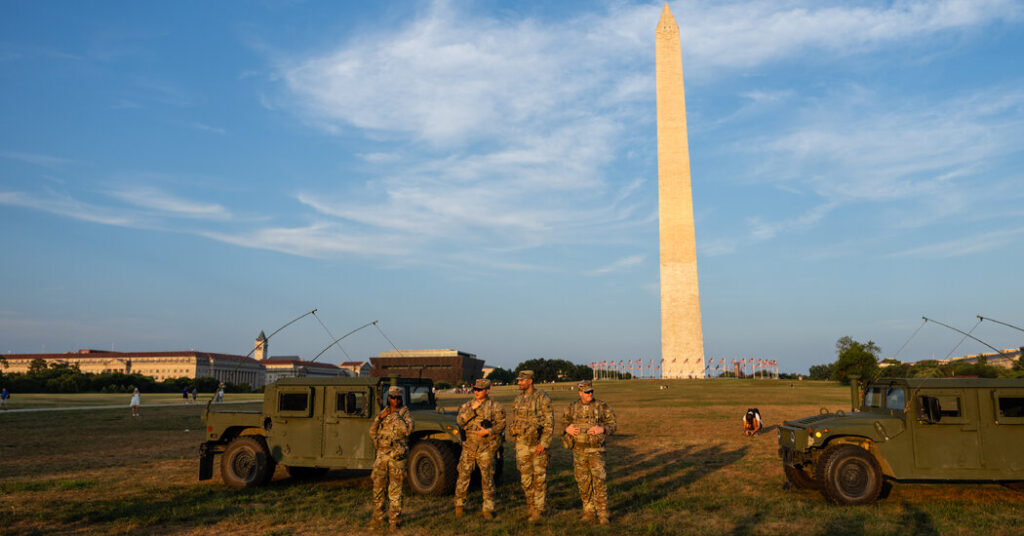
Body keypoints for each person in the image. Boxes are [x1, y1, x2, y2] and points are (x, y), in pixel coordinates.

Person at [562, 380, 617, 524]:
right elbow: (564, 422)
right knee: (583, 482)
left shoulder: (601, 406)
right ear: (580, 392)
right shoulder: (572, 407)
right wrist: (567, 428)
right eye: (587, 392)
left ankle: (603, 513)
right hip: (579, 451)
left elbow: (613, 424)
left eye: (591, 391)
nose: (590, 394)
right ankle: (588, 511)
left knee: (599, 481)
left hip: (596, 451)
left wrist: (603, 429)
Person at [454, 378, 506, 520]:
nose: (476, 392)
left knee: (487, 478)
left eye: (479, 389)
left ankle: (488, 508)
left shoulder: (495, 406)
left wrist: (488, 431)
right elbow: (459, 421)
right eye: (475, 389)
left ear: (487, 390)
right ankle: (459, 506)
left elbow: (501, 425)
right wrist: (473, 410)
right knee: (463, 476)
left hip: (486, 447)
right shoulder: (467, 406)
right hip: (469, 447)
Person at [508, 370, 553, 522]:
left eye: (522, 380)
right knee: (525, 479)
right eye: (519, 380)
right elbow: (516, 421)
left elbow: (549, 423)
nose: (519, 382)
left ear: (530, 381)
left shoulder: (542, 397)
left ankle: (538, 511)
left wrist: (543, 443)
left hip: (538, 445)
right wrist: (516, 442)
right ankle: (530, 506)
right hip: (522, 445)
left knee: (539, 479)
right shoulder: (518, 399)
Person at [369, 386, 414, 529]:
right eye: (392, 397)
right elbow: (372, 431)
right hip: (382, 456)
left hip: (397, 457)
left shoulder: (405, 413)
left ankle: (394, 520)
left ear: (401, 399)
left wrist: (395, 416)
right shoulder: (383, 413)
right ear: (388, 398)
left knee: (395, 490)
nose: (395, 400)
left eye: (398, 398)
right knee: (378, 488)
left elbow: (407, 430)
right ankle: (378, 517)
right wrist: (379, 419)